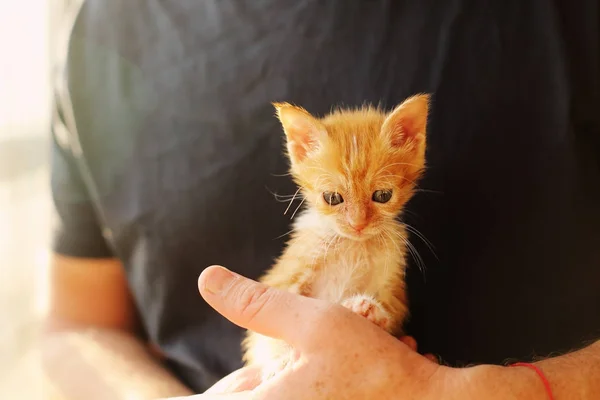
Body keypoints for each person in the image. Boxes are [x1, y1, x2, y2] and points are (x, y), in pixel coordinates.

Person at [43, 1, 600, 399]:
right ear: (299, 150)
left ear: (412, 144)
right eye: (336, 199)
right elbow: (77, 326)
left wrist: (501, 392)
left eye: (380, 196)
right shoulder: (97, 31)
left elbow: (388, 304)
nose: (358, 220)